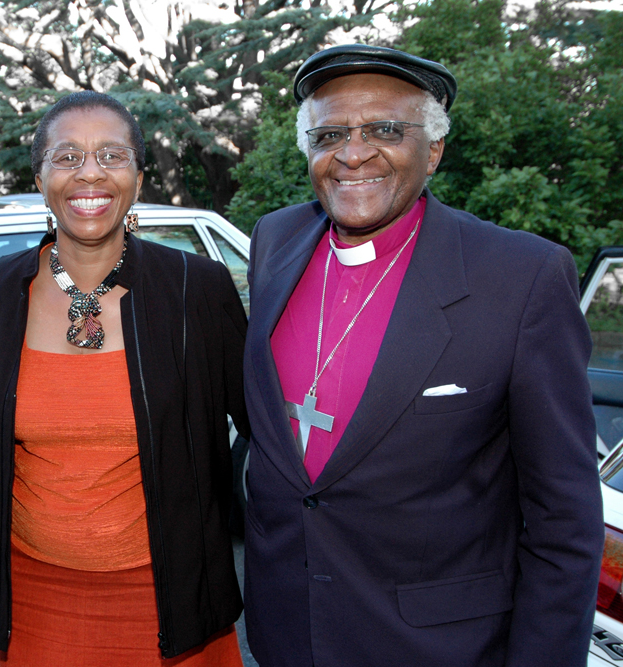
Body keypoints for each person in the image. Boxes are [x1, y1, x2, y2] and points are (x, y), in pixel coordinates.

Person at [242, 44, 603, 666]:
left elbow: (563, 521)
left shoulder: (522, 276)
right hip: (285, 632)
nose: (353, 154)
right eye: (330, 134)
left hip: (439, 646)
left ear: (433, 149)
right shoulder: (275, 239)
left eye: (385, 129)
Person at [0, 90, 249, 666]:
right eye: (66, 157)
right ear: (39, 177)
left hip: (176, 613)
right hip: (30, 612)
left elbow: (268, 437)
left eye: (112, 155)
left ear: (139, 177)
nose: (89, 174)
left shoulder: (198, 290)